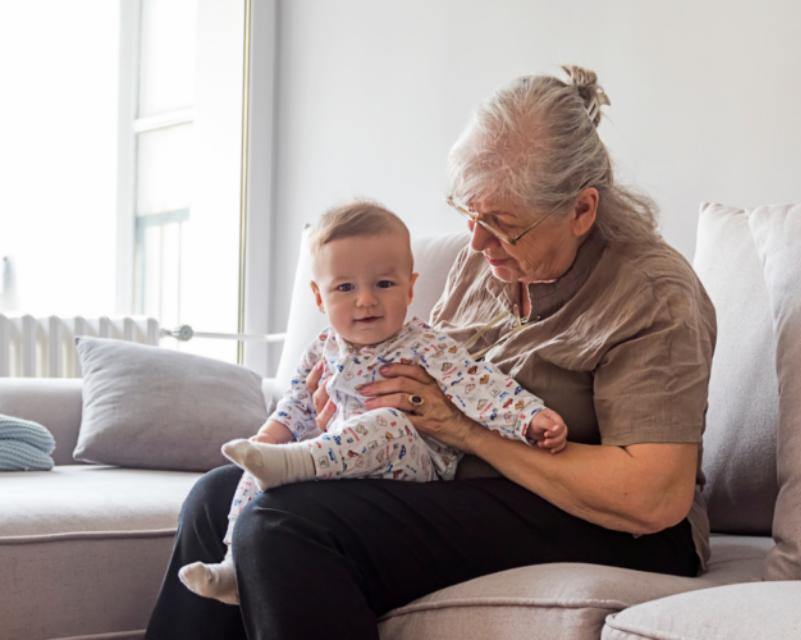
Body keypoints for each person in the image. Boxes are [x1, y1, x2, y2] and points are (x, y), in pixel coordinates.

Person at [146, 64, 716, 640]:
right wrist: (347, 418)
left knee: (283, 526)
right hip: (457, 483)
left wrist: (466, 432)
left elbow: (653, 496)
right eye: (468, 213)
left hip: (613, 526)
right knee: (216, 498)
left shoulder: (649, 292)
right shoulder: (485, 263)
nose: (475, 242)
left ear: (582, 210)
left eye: (501, 224)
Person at [176, 201, 568, 605]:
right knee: (252, 464)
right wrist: (269, 437)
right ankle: (230, 566)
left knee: (385, 422)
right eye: (346, 288)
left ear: (410, 288)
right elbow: (295, 406)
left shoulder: (424, 344)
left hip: (411, 464)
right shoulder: (322, 348)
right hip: (340, 464)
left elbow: (480, 386)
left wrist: (529, 417)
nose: (366, 301)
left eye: (384, 285)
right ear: (318, 296)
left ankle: (298, 464)